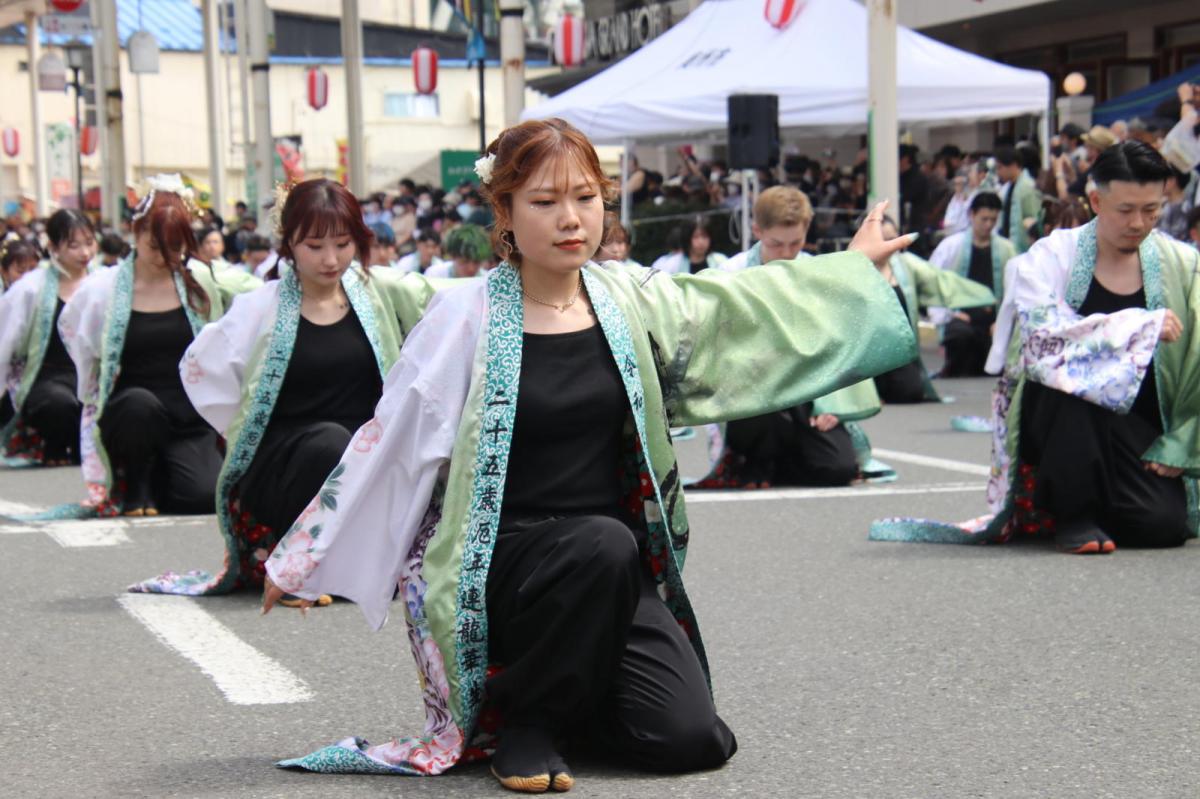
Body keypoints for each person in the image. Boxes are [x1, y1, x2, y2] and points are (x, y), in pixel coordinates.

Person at [258, 118, 917, 790]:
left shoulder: (628, 300)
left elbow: (740, 302)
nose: (570, 218)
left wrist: (852, 268)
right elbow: (391, 437)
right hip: (507, 566)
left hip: (610, 564)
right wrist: (302, 552)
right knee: (600, 543)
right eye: (544, 202)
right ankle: (526, 720)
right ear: (505, 213)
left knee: (693, 738)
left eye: (586, 197)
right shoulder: (465, 317)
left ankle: (572, 698)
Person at [872, 141, 1200, 556]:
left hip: (1137, 421)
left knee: (1161, 525)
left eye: (1151, 210)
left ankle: (1089, 498)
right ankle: (1072, 509)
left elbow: (1196, 362)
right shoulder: (1052, 255)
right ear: (1096, 200)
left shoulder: (1182, 265)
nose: (1139, 222)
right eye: (1126, 210)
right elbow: (1045, 341)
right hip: (1064, 415)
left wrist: (1183, 443)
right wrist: (1137, 327)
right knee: (1074, 379)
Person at [131, 179, 443, 597]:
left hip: (364, 457)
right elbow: (200, 366)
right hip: (286, 462)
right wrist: (239, 426)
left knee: (397, 455)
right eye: (314, 246)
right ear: (290, 243)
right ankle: (301, 562)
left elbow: (450, 307)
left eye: (343, 244)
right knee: (330, 445)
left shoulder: (382, 292)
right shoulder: (262, 306)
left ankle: (358, 560)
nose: (331, 259)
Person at [58, 175, 260, 517]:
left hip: (188, 414)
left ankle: (164, 474)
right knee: (141, 405)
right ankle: (136, 482)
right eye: (156, 246)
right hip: (132, 411)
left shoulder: (203, 279)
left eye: (176, 247)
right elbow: (73, 330)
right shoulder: (103, 289)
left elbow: (254, 295)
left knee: (201, 497)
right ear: (136, 234)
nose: (166, 257)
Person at [0, 210, 97, 466]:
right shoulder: (31, 288)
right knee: (59, 405)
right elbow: (5, 342)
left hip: (91, 376)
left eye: (89, 243)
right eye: (74, 246)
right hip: (46, 376)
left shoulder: (105, 282)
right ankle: (54, 444)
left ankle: (80, 447)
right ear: (53, 247)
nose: (85, 253)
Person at [872, 216, 995, 403]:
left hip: (898, 351)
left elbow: (941, 282)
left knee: (910, 391)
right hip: (869, 351)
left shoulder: (906, 264)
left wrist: (983, 294)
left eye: (894, 237)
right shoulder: (859, 268)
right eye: (885, 239)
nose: (892, 244)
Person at [927, 192, 1017, 376]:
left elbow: (1016, 289)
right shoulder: (951, 246)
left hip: (993, 321)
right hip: (961, 318)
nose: (988, 225)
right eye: (984, 219)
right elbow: (932, 282)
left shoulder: (1006, 248)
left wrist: (1003, 320)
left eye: (993, 220)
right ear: (971, 215)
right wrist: (948, 314)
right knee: (960, 335)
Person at [994, 146, 1043, 254]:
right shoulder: (1010, 186)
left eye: (1000, 167)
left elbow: (1032, 220)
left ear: (1013, 165)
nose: (998, 172)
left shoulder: (1027, 186)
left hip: (1023, 249)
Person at [652, 219, 727, 274]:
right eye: (695, 237)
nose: (701, 242)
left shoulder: (721, 261)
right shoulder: (672, 264)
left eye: (705, 236)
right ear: (687, 238)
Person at [426, 223, 491, 278]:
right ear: (451, 256)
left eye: (476, 262)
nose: (471, 268)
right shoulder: (435, 275)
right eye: (465, 261)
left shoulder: (485, 280)